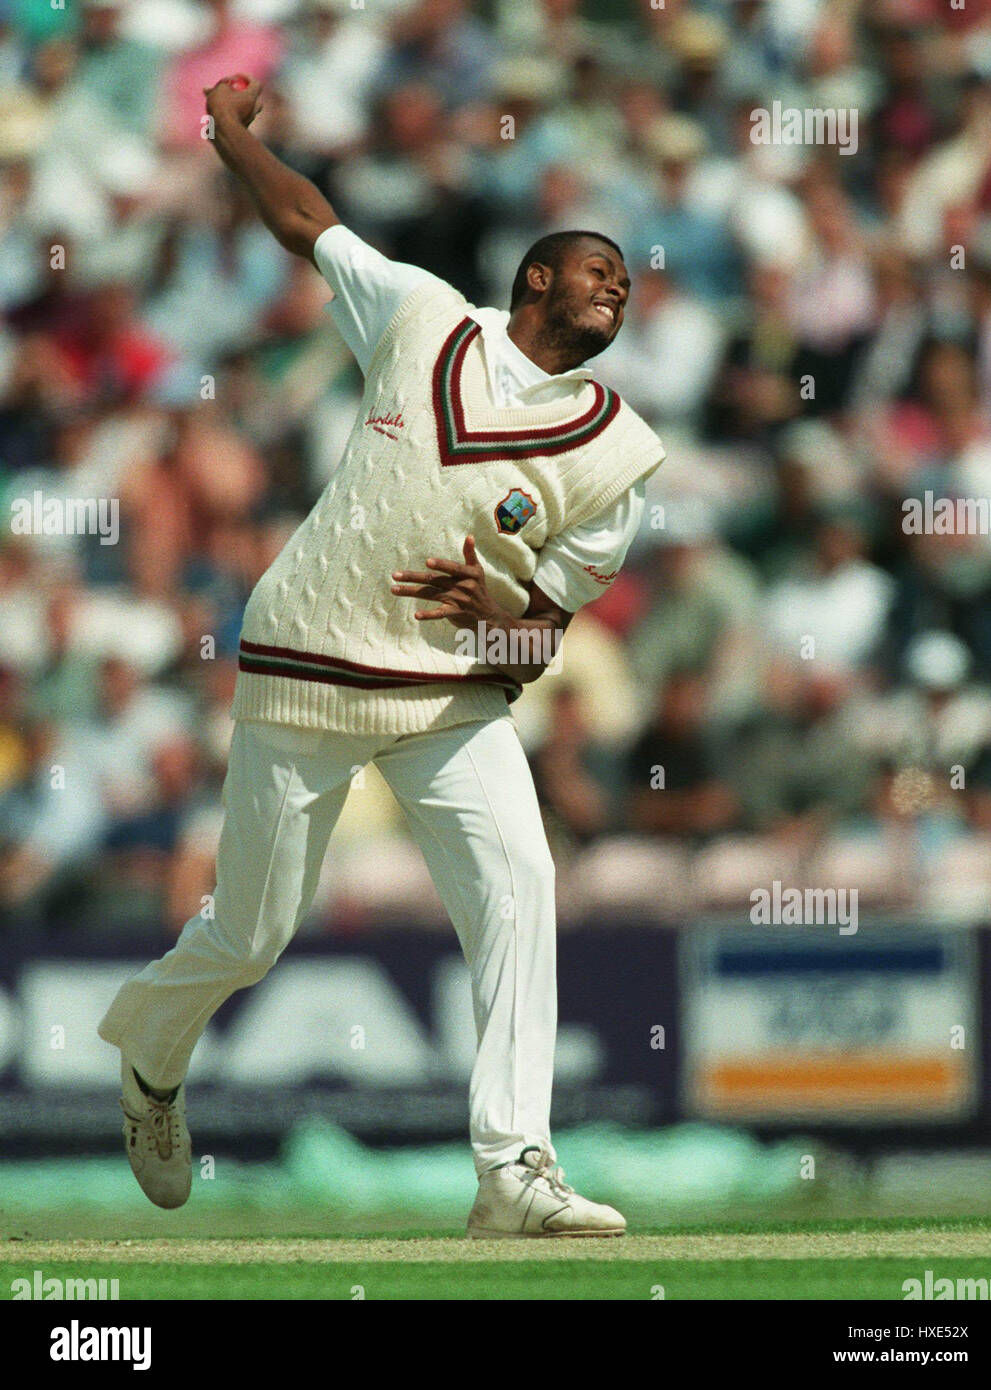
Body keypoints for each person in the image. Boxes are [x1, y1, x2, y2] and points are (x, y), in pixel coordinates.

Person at [97, 74, 664, 1238]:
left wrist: (497, 608)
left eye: (628, 280)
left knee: (522, 886)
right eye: (595, 266)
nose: (617, 283)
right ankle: (152, 1057)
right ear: (535, 279)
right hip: (306, 656)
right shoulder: (423, 313)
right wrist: (229, 137)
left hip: (451, 695)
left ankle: (512, 1168)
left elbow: (540, 641)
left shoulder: (614, 454)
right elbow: (309, 220)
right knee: (250, 933)